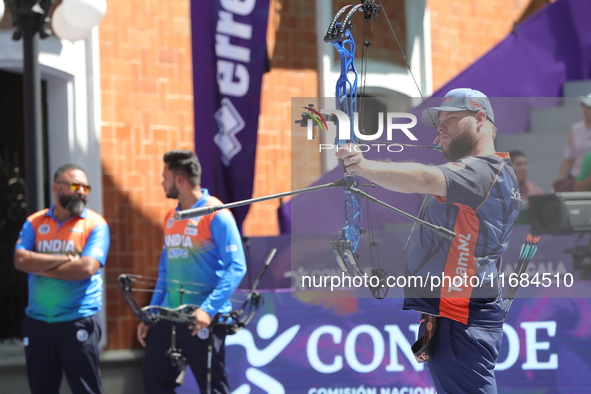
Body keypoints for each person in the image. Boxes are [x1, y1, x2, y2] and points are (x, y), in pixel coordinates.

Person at [337, 88, 520, 393]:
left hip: (460, 315)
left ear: (479, 119)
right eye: (439, 121)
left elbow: (424, 178)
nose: (440, 126)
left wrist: (362, 166)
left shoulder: (482, 171)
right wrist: (450, 147)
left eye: (451, 118)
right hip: (461, 311)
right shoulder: (495, 171)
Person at [137, 150, 247, 394]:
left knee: (212, 388)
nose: (161, 182)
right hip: (169, 317)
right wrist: (151, 313)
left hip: (201, 320)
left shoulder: (216, 213)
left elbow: (237, 266)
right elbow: (165, 269)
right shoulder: (171, 217)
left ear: (179, 180)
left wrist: (207, 310)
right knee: (154, 382)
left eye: (164, 176)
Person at [14, 164, 110, 394]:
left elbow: (86, 268)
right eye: (76, 186)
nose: (82, 192)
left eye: (86, 187)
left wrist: (40, 267)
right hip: (38, 322)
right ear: (56, 188)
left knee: (86, 389)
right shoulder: (35, 222)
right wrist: (63, 260)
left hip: (77, 319)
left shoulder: (96, 225)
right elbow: (20, 260)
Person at [554, 92, 591, 191]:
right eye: (584, 106)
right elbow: (568, 158)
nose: (586, 110)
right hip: (578, 179)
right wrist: (561, 179)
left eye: (589, 107)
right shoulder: (575, 129)